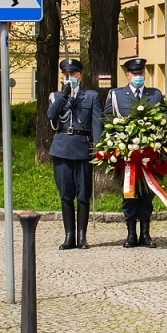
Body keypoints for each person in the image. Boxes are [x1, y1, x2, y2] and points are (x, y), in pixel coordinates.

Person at [105, 57, 167, 248]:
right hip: (126, 156)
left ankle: (145, 234)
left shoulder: (154, 95)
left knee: (147, 195)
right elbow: (107, 121)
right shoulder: (116, 95)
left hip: (149, 155)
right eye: (134, 73)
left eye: (141, 73)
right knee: (129, 195)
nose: (138, 76)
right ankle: (131, 234)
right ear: (127, 75)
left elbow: (165, 119)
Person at [46, 58, 102, 250]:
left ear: (80, 76)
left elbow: (97, 123)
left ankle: (82, 236)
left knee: (83, 194)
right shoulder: (56, 96)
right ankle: (69, 236)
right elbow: (51, 115)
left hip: (82, 148)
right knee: (66, 194)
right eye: (66, 74)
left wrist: (98, 147)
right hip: (62, 148)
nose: (70, 77)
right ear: (62, 76)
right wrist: (64, 94)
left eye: (73, 74)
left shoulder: (91, 96)